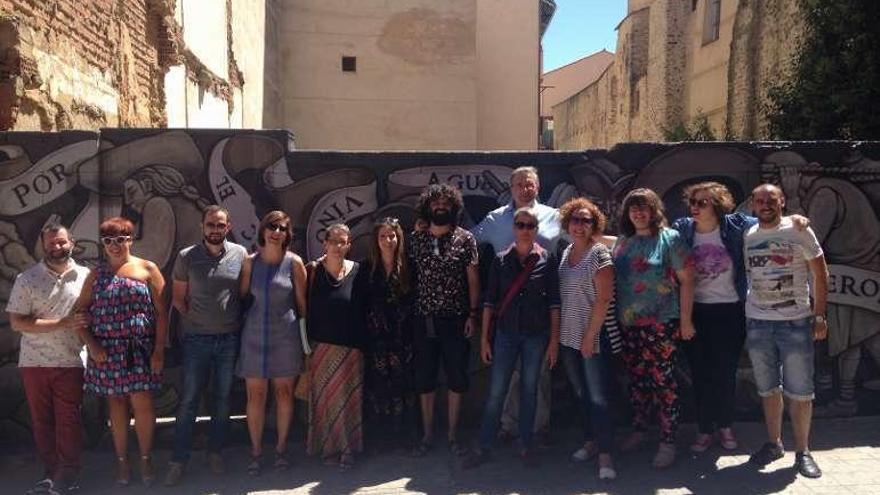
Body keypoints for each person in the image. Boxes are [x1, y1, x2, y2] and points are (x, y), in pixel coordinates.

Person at [671, 182, 809, 453]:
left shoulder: (735, 225)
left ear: (718, 205)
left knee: (724, 372)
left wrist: (795, 218)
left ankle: (724, 426)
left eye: (703, 203)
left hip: (730, 310)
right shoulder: (683, 228)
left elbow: (769, 220)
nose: (695, 208)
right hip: (694, 311)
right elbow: (654, 235)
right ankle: (704, 429)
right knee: (699, 374)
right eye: (693, 202)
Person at [74, 217, 168, 486]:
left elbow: (163, 314)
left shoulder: (147, 269)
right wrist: (92, 345)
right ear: (103, 244)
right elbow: (79, 314)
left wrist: (159, 350)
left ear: (130, 239)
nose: (115, 245)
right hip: (106, 351)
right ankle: (122, 462)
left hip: (139, 349)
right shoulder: (96, 275)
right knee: (116, 406)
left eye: (120, 239)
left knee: (143, 405)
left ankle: (146, 459)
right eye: (108, 240)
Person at [464, 207, 560, 468]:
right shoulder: (500, 260)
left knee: (529, 390)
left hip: (536, 335)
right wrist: (484, 339)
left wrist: (554, 341)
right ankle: (484, 444)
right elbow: (490, 303)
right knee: (497, 391)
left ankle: (526, 445)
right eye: (521, 225)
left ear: (536, 229)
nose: (525, 230)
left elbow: (554, 303)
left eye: (530, 225)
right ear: (514, 228)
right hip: (506, 334)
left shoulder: (547, 260)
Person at [744, 184, 828, 479]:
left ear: (782, 202)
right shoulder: (749, 233)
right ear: (752, 205)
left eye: (771, 199)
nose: (765, 204)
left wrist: (819, 315)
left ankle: (803, 451)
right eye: (759, 200)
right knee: (767, 388)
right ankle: (773, 443)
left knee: (801, 391)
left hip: (795, 322)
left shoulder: (799, 230)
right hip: (757, 321)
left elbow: (820, 273)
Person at [164, 206, 248, 486]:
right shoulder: (187, 257)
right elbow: (178, 299)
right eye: (210, 224)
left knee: (223, 399)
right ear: (203, 226)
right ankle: (179, 459)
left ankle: (215, 452)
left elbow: (242, 293)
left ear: (228, 226)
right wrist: (199, 321)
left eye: (220, 224)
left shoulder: (240, 254)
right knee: (189, 400)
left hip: (228, 339)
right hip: (196, 340)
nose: (215, 229)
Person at [612, 188, 695, 468]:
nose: (638, 212)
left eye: (644, 207)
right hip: (629, 326)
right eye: (633, 208)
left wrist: (685, 321)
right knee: (637, 383)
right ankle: (640, 431)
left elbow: (688, 281)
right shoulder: (623, 242)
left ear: (654, 210)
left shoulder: (669, 239)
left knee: (663, 383)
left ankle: (668, 441)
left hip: (662, 325)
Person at [6, 224, 90, 494]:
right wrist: (62, 323)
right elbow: (18, 322)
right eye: (52, 243)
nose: (57, 247)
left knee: (68, 420)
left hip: (71, 360)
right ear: (43, 245)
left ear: (72, 243)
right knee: (42, 421)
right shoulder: (26, 279)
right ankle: (50, 471)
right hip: (34, 362)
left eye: (62, 242)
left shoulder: (86, 277)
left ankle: (67, 474)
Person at [408, 183, 480, 457]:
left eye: (446, 203)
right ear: (428, 206)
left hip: (456, 319)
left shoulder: (465, 239)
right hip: (424, 319)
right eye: (436, 203)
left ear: (454, 208)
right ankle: (427, 434)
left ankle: (451, 434)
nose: (441, 206)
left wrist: (472, 314)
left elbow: (473, 279)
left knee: (457, 376)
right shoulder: (415, 239)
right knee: (425, 378)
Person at [237, 211, 307, 475]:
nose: (276, 232)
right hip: (254, 335)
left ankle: (280, 450)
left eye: (282, 228)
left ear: (288, 234)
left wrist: (305, 342)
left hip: (286, 335)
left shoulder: (295, 263)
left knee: (284, 394)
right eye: (272, 227)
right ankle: (255, 452)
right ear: (263, 231)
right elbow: (242, 297)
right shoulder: (249, 262)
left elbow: (302, 305)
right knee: (256, 395)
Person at [556, 198, 617, 480]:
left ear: (595, 225)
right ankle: (591, 442)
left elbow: (604, 299)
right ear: (568, 222)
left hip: (593, 338)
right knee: (581, 394)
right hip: (569, 337)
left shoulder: (599, 254)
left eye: (586, 221)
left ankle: (606, 456)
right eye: (575, 220)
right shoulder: (567, 252)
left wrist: (590, 337)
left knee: (598, 397)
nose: (579, 225)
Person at [306, 223, 369, 471]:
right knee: (325, 401)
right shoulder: (312, 270)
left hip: (352, 347)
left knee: (349, 401)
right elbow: (303, 308)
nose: (338, 246)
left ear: (349, 245)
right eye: (333, 241)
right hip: (322, 346)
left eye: (343, 242)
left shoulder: (358, 271)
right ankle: (328, 449)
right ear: (325, 243)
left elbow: (364, 308)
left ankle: (348, 449)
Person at [362, 217, 416, 453]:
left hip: (402, 339)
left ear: (399, 238)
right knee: (378, 388)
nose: (388, 240)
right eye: (383, 236)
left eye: (392, 236)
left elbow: (415, 304)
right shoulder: (366, 268)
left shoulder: (409, 266)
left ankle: (404, 437)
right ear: (376, 239)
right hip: (376, 342)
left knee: (403, 388)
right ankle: (380, 438)